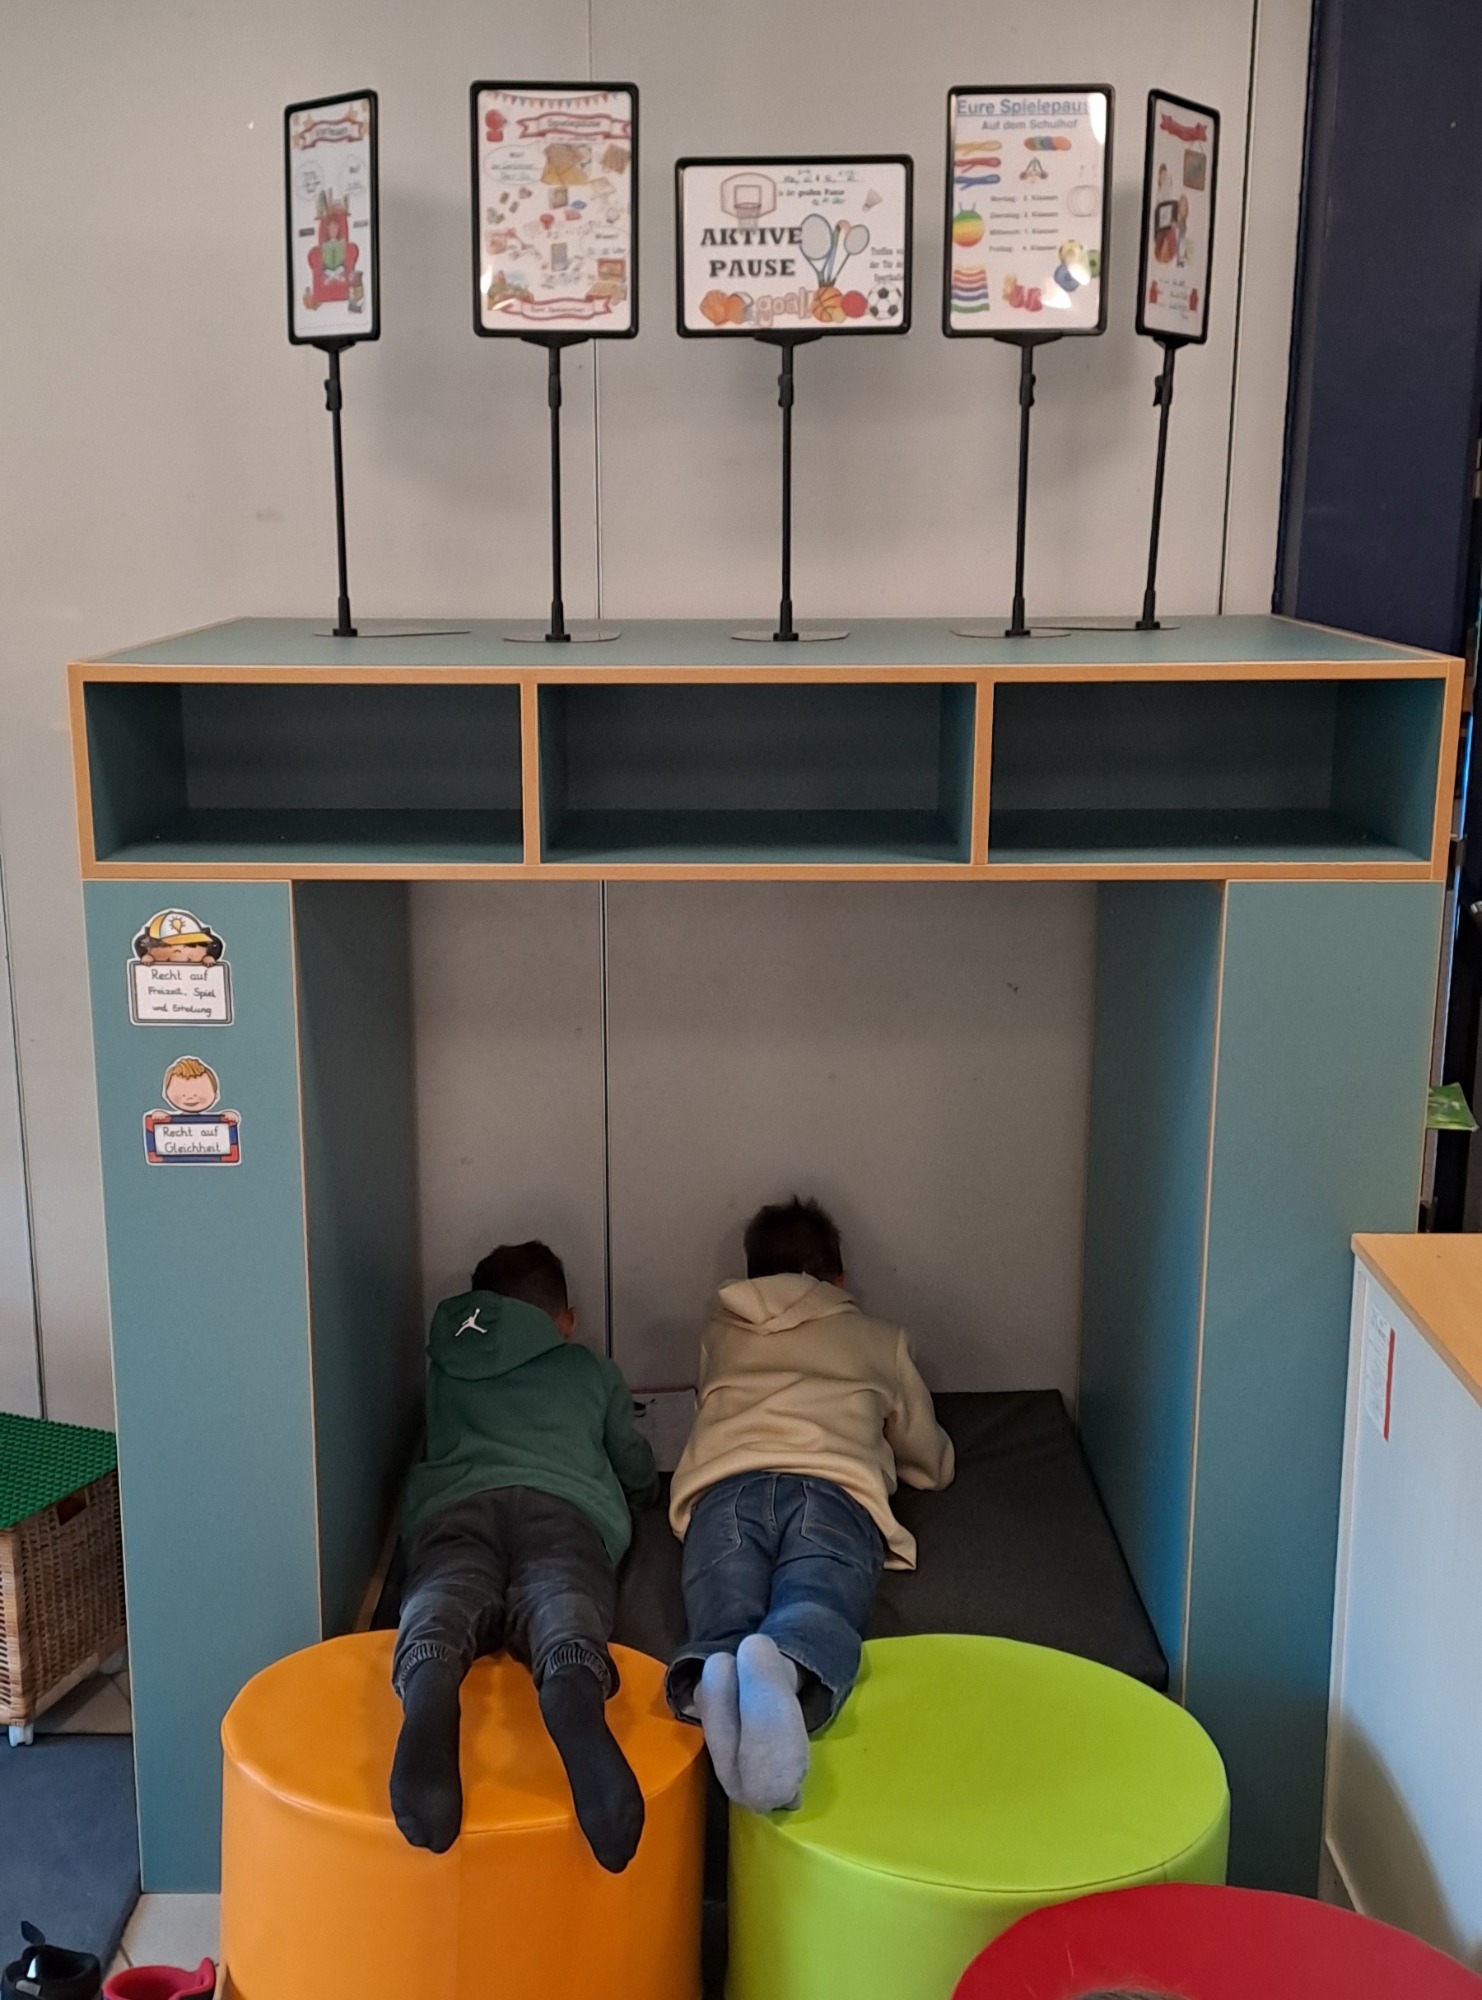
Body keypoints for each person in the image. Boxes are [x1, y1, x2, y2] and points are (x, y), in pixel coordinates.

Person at [666, 1196, 955, 1812]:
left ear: (752, 1279)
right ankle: (786, 1666)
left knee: (722, 1611)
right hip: (832, 1492)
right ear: (838, 1279)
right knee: (817, 1601)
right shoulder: (881, 1339)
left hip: (725, 1493)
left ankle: (715, 1671)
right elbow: (926, 1459)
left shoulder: (720, 1332)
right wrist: (930, 1461)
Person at [390, 1241, 658, 1872]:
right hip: (563, 1510)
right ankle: (569, 1684)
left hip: (457, 1506)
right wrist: (645, 1489)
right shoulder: (588, 1368)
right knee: (564, 1594)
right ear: (565, 1320)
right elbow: (632, 1463)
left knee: (443, 1591)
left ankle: (431, 1678)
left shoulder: (447, 1364)